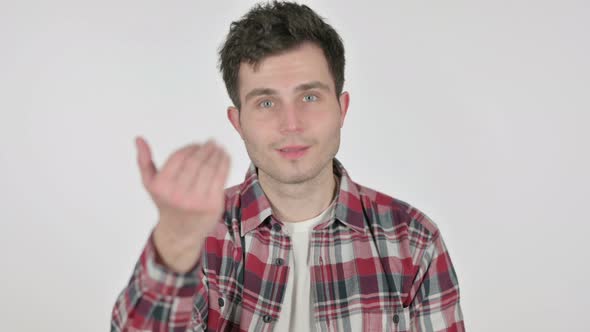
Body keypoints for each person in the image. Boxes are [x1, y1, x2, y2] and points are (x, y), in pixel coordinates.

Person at [111, 2, 465, 331]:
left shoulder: (414, 241)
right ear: (238, 122)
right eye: (266, 102)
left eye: (309, 97)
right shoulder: (200, 235)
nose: (291, 123)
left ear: (342, 109)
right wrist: (174, 242)